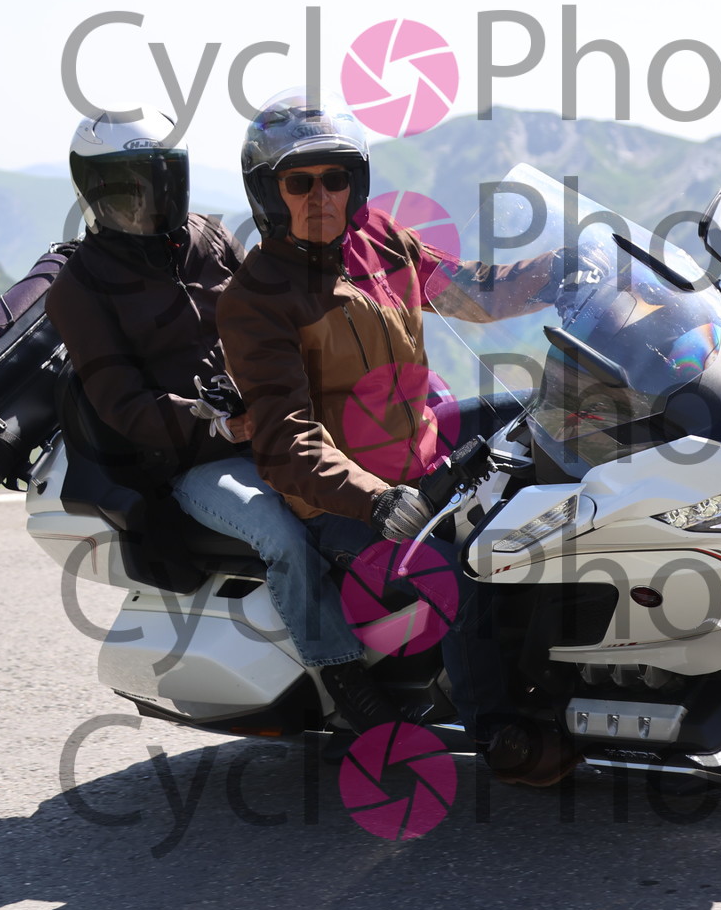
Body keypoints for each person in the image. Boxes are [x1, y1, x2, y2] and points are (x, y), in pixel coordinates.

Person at [217, 88, 579, 786]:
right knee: (468, 569)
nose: (322, 195)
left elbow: (472, 293)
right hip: (343, 503)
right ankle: (496, 727)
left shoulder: (379, 238)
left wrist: (562, 270)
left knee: (557, 413)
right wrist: (376, 500)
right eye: (300, 182)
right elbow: (288, 442)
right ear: (267, 192)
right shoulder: (257, 299)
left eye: (336, 177)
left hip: (422, 452)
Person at [45, 107, 399, 737]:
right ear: (92, 189)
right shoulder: (79, 288)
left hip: (271, 418)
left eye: (154, 181)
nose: (142, 201)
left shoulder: (206, 237)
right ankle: (343, 675)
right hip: (188, 460)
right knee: (280, 532)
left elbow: (267, 298)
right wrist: (212, 425)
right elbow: (120, 404)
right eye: (124, 187)